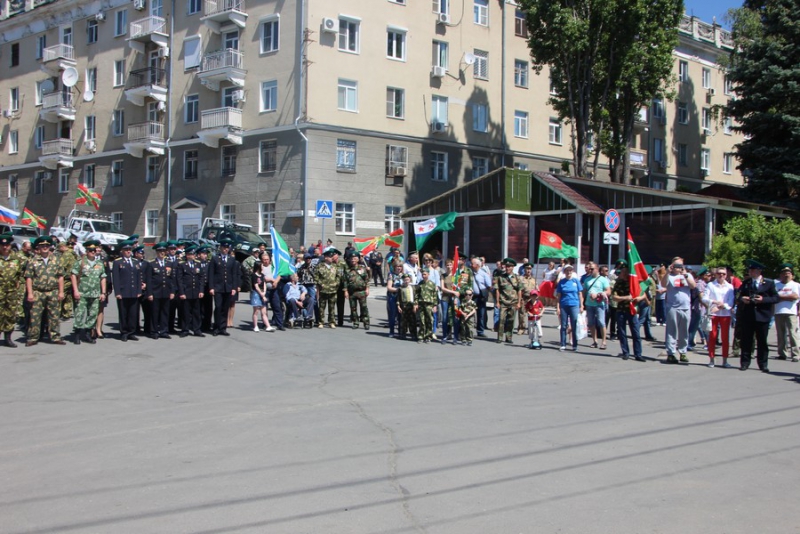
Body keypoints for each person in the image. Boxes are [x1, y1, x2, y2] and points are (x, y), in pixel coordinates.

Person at [737, 260, 779, 372]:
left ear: (759, 271)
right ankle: (745, 363)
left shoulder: (769, 283)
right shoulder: (746, 283)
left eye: (753, 270)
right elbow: (739, 296)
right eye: (750, 270)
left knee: (762, 341)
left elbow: (776, 298)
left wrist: (763, 300)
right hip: (749, 315)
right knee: (746, 341)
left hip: (763, 316)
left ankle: (763, 364)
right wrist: (742, 299)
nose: (750, 272)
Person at [25, 236, 66, 346]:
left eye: (47, 245)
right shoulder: (32, 260)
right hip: (37, 292)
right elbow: (28, 277)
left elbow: (61, 276)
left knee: (54, 315)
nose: (45, 247)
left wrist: (61, 292)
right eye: (42, 245)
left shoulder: (56, 260)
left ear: (50, 247)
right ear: (38, 247)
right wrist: (29, 293)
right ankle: (33, 337)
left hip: (53, 291)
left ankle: (55, 336)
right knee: (35, 316)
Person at [70, 240, 107, 345]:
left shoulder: (99, 263)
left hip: (95, 294)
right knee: (79, 314)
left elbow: (103, 277)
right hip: (82, 293)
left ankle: (87, 333)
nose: (93, 252)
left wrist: (103, 292)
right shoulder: (80, 262)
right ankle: (77, 334)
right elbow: (73, 275)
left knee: (93, 314)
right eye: (91, 250)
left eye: (94, 250)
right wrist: (75, 290)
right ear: (86, 251)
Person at [661, 257, 695, 364]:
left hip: (685, 307)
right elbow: (663, 284)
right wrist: (667, 272)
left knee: (684, 331)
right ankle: (671, 353)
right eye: (676, 266)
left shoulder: (687, 275)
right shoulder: (670, 276)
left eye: (680, 266)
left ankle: (683, 352)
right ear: (672, 266)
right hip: (673, 307)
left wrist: (685, 274)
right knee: (671, 331)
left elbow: (693, 286)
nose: (678, 268)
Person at [611, 260, 646, 361]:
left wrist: (639, 298)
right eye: (623, 272)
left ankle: (638, 354)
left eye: (626, 272)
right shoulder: (618, 283)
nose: (624, 274)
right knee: (622, 333)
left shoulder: (634, 282)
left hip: (632, 311)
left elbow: (643, 294)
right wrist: (626, 297)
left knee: (636, 333)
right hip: (621, 310)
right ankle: (625, 352)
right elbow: (614, 297)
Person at [702, 266, 735, 368]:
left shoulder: (729, 286)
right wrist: (714, 302)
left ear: (726, 275)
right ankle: (711, 359)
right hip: (713, 314)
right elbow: (704, 298)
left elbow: (730, 301)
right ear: (715, 274)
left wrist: (722, 307)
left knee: (725, 338)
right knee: (712, 337)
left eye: (723, 274)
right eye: (719, 273)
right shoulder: (711, 285)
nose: (721, 275)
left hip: (725, 314)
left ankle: (725, 360)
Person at [208, 239, 241, 336]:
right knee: (218, 307)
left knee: (225, 308)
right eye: (224, 247)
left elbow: (234, 274)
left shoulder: (231, 259)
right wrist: (211, 287)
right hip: (218, 287)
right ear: (220, 248)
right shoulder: (215, 259)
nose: (225, 249)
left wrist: (234, 288)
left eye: (227, 248)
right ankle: (216, 327)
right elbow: (211, 274)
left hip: (228, 287)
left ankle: (223, 328)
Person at [112, 240, 143, 342]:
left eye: (130, 249)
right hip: (123, 292)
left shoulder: (135, 262)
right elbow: (116, 279)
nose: (128, 251)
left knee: (133, 313)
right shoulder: (118, 262)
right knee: (123, 313)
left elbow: (138, 278)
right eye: (126, 250)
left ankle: (131, 332)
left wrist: (139, 290)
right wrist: (117, 292)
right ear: (122, 251)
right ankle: (124, 332)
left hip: (134, 292)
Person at [145, 242, 177, 339]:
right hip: (155, 292)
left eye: (163, 251)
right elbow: (149, 280)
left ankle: (164, 331)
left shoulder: (169, 263)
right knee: (155, 313)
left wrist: (172, 292)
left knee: (165, 312)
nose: (162, 253)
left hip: (166, 292)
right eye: (159, 251)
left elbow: (172, 279)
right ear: (156, 252)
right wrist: (149, 293)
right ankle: (154, 331)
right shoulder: (151, 264)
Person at [0, 234, 26, 347]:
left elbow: (20, 275)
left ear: (10, 245)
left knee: (11, 315)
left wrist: (18, 288)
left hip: (12, 292)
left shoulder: (17, 259)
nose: (5, 247)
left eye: (7, 245)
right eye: (2, 245)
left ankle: (8, 338)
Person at [176, 246, 207, 337]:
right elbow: (179, 280)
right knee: (186, 312)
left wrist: (201, 290)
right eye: (190, 254)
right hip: (186, 292)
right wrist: (182, 292)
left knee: (196, 312)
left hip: (196, 291)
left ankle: (197, 329)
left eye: (193, 254)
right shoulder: (182, 265)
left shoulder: (198, 264)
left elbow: (201, 278)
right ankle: (185, 329)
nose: (192, 256)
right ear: (187, 255)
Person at [774, 263, 800, 362]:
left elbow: (796, 297)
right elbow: (774, 298)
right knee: (781, 334)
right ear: (780, 274)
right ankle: (782, 353)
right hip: (778, 311)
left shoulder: (796, 285)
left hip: (791, 312)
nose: (786, 275)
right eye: (784, 273)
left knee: (793, 333)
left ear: (791, 275)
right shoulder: (776, 285)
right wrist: (788, 297)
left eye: (788, 273)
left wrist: (781, 297)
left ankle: (796, 354)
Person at [582, 261, 610, 350]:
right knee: (591, 323)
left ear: (597, 269)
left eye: (592, 269)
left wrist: (598, 294)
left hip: (599, 304)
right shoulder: (587, 280)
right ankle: (595, 341)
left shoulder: (603, 279)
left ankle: (604, 342)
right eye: (589, 269)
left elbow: (608, 291)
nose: (590, 270)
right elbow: (583, 293)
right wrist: (581, 304)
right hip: (589, 304)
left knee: (601, 322)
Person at [494, 258, 522, 344]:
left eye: (509, 267)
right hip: (503, 302)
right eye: (506, 266)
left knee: (511, 320)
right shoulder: (500, 277)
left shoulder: (517, 277)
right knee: (501, 320)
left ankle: (509, 337)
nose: (508, 268)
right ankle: (500, 337)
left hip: (513, 302)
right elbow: (497, 290)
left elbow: (519, 290)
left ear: (513, 267)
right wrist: (497, 302)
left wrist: (519, 302)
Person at [555, 264, 582, 351]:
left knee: (574, 325)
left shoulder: (576, 281)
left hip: (574, 305)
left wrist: (581, 305)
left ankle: (575, 345)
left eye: (570, 270)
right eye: (567, 270)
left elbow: (580, 294)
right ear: (564, 272)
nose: (569, 272)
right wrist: (558, 307)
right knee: (563, 325)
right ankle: (563, 344)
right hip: (564, 305)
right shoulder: (562, 282)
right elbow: (559, 295)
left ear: (572, 271)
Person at [314, 248, 341, 328]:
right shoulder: (319, 266)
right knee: (322, 307)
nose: (332, 258)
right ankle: (321, 322)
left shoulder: (334, 266)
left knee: (332, 307)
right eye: (330, 256)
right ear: (326, 257)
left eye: (332, 256)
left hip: (333, 290)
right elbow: (316, 277)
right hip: (323, 290)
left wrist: (336, 283)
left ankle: (331, 322)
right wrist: (320, 284)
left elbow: (338, 276)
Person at [344, 252, 370, 330]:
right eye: (351, 259)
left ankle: (366, 322)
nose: (353, 260)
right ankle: (355, 322)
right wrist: (345, 291)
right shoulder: (348, 270)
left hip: (361, 291)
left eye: (355, 258)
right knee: (353, 308)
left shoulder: (362, 268)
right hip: (352, 292)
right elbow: (345, 281)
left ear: (358, 259)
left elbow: (367, 279)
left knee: (364, 308)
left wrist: (367, 289)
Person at [260, 253, 284, 331]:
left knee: (277, 307)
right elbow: (262, 278)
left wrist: (276, 282)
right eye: (264, 260)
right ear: (262, 260)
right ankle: (265, 324)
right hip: (265, 291)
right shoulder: (261, 268)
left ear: (270, 260)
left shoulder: (273, 267)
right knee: (264, 308)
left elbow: (279, 274)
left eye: (267, 259)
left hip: (274, 290)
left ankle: (279, 324)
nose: (266, 261)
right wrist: (271, 280)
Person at [470, 257, 492, 336]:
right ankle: (469, 330)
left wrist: (486, 293)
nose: (471, 265)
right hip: (472, 296)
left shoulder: (484, 274)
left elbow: (489, 285)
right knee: (470, 312)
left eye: (472, 263)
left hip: (481, 296)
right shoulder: (469, 273)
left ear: (477, 265)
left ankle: (480, 331)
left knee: (481, 314)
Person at [415, 267, 438, 343]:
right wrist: (416, 303)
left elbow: (435, 296)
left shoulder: (432, 284)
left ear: (428, 274)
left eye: (425, 274)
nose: (423, 276)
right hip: (421, 304)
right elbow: (417, 294)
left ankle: (428, 336)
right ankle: (421, 336)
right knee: (422, 321)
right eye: (422, 274)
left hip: (429, 305)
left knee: (429, 321)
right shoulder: (420, 284)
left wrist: (435, 306)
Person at [517, 263, 537, 335]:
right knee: (522, 314)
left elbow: (537, 290)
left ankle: (530, 328)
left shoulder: (534, 280)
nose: (528, 270)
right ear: (524, 269)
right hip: (523, 298)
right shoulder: (521, 279)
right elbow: (518, 289)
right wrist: (519, 299)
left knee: (531, 314)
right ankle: (521, 328)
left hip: (531, 299)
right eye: (527, 269)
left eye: (530, 269)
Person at [396, 273, 418, 341]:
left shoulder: (413, 287)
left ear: (410, 280)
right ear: (403, 280)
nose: (406, 281)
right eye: (405, 280)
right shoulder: (400, 288)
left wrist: (415, 305)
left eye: (408, 279)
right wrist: (398, 306)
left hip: (411, 305)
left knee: (412, 320)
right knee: (403, 320)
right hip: (404, 305)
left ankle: (413, 334)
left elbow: (416, 297)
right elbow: (398, 298)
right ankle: (403, 334)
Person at [386, 263, 404, 337]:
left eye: (400, 266)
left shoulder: (403, 275)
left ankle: (401, 331)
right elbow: (389, 287)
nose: (398, 268)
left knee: (401, 315)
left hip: (402, 297)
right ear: (394, 267)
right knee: (393, 314)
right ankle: (391, 331)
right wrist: (398, 289)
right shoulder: (391, 275)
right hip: (393, 296)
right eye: (397, 266)